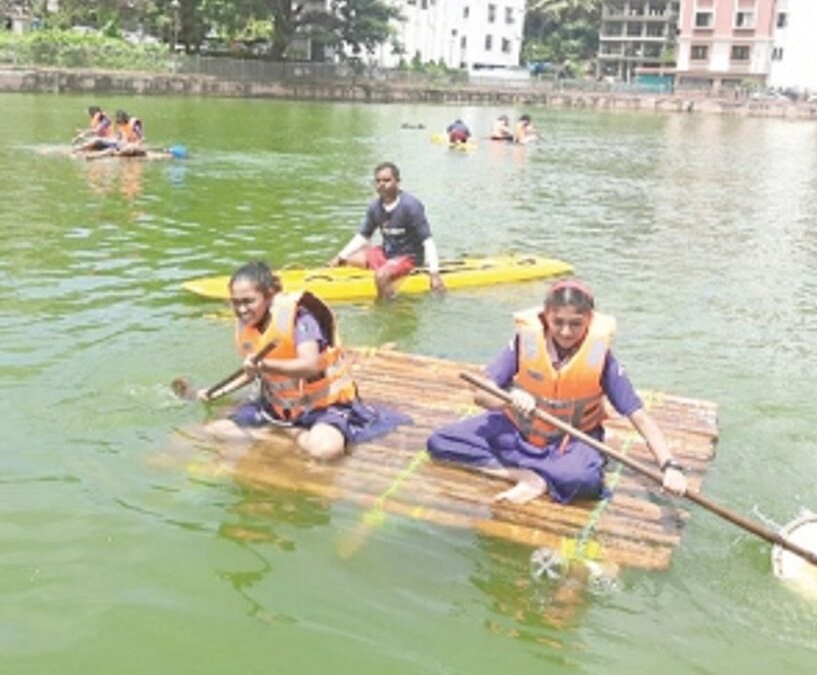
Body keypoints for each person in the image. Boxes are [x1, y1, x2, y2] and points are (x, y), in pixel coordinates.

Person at [427, 279, 688, 504]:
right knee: (440, 442)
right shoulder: (525, 341)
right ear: (546, 317)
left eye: (575, 324)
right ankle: (525, 476)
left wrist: (669, 466)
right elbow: (481, 394)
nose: (565, 332)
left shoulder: (601, 356)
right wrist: (509, 400)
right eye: (558, 322)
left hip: (569, 442)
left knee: (582, 481)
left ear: (589, 320)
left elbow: (639, 416)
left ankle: (540, 473)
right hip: (519, 432)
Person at [200, 261, 410, 459]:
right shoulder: (248, 324)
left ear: (269, 295)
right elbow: (253, 371)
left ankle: (285, 435)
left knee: (325, 450)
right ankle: (282, 433)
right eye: (236, 303)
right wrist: (218, 392)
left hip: (322, 406)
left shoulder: (300, 317)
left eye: (248, 301)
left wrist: (264, 365)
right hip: (278, 408)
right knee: (213, 430)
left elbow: (310, 366)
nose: (242, 309)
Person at [328, 162, 446, 299]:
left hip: (408, 257)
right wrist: (339, 256)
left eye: (387, 180)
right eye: (378, 181)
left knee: (381, 276)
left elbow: (428, 241)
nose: (382, 184)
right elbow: (363, 236)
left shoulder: (411, 206)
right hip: (386, 254)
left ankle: (390, 311)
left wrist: (434, 274)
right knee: (349, 260)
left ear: (398, 182)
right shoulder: (375, 207)